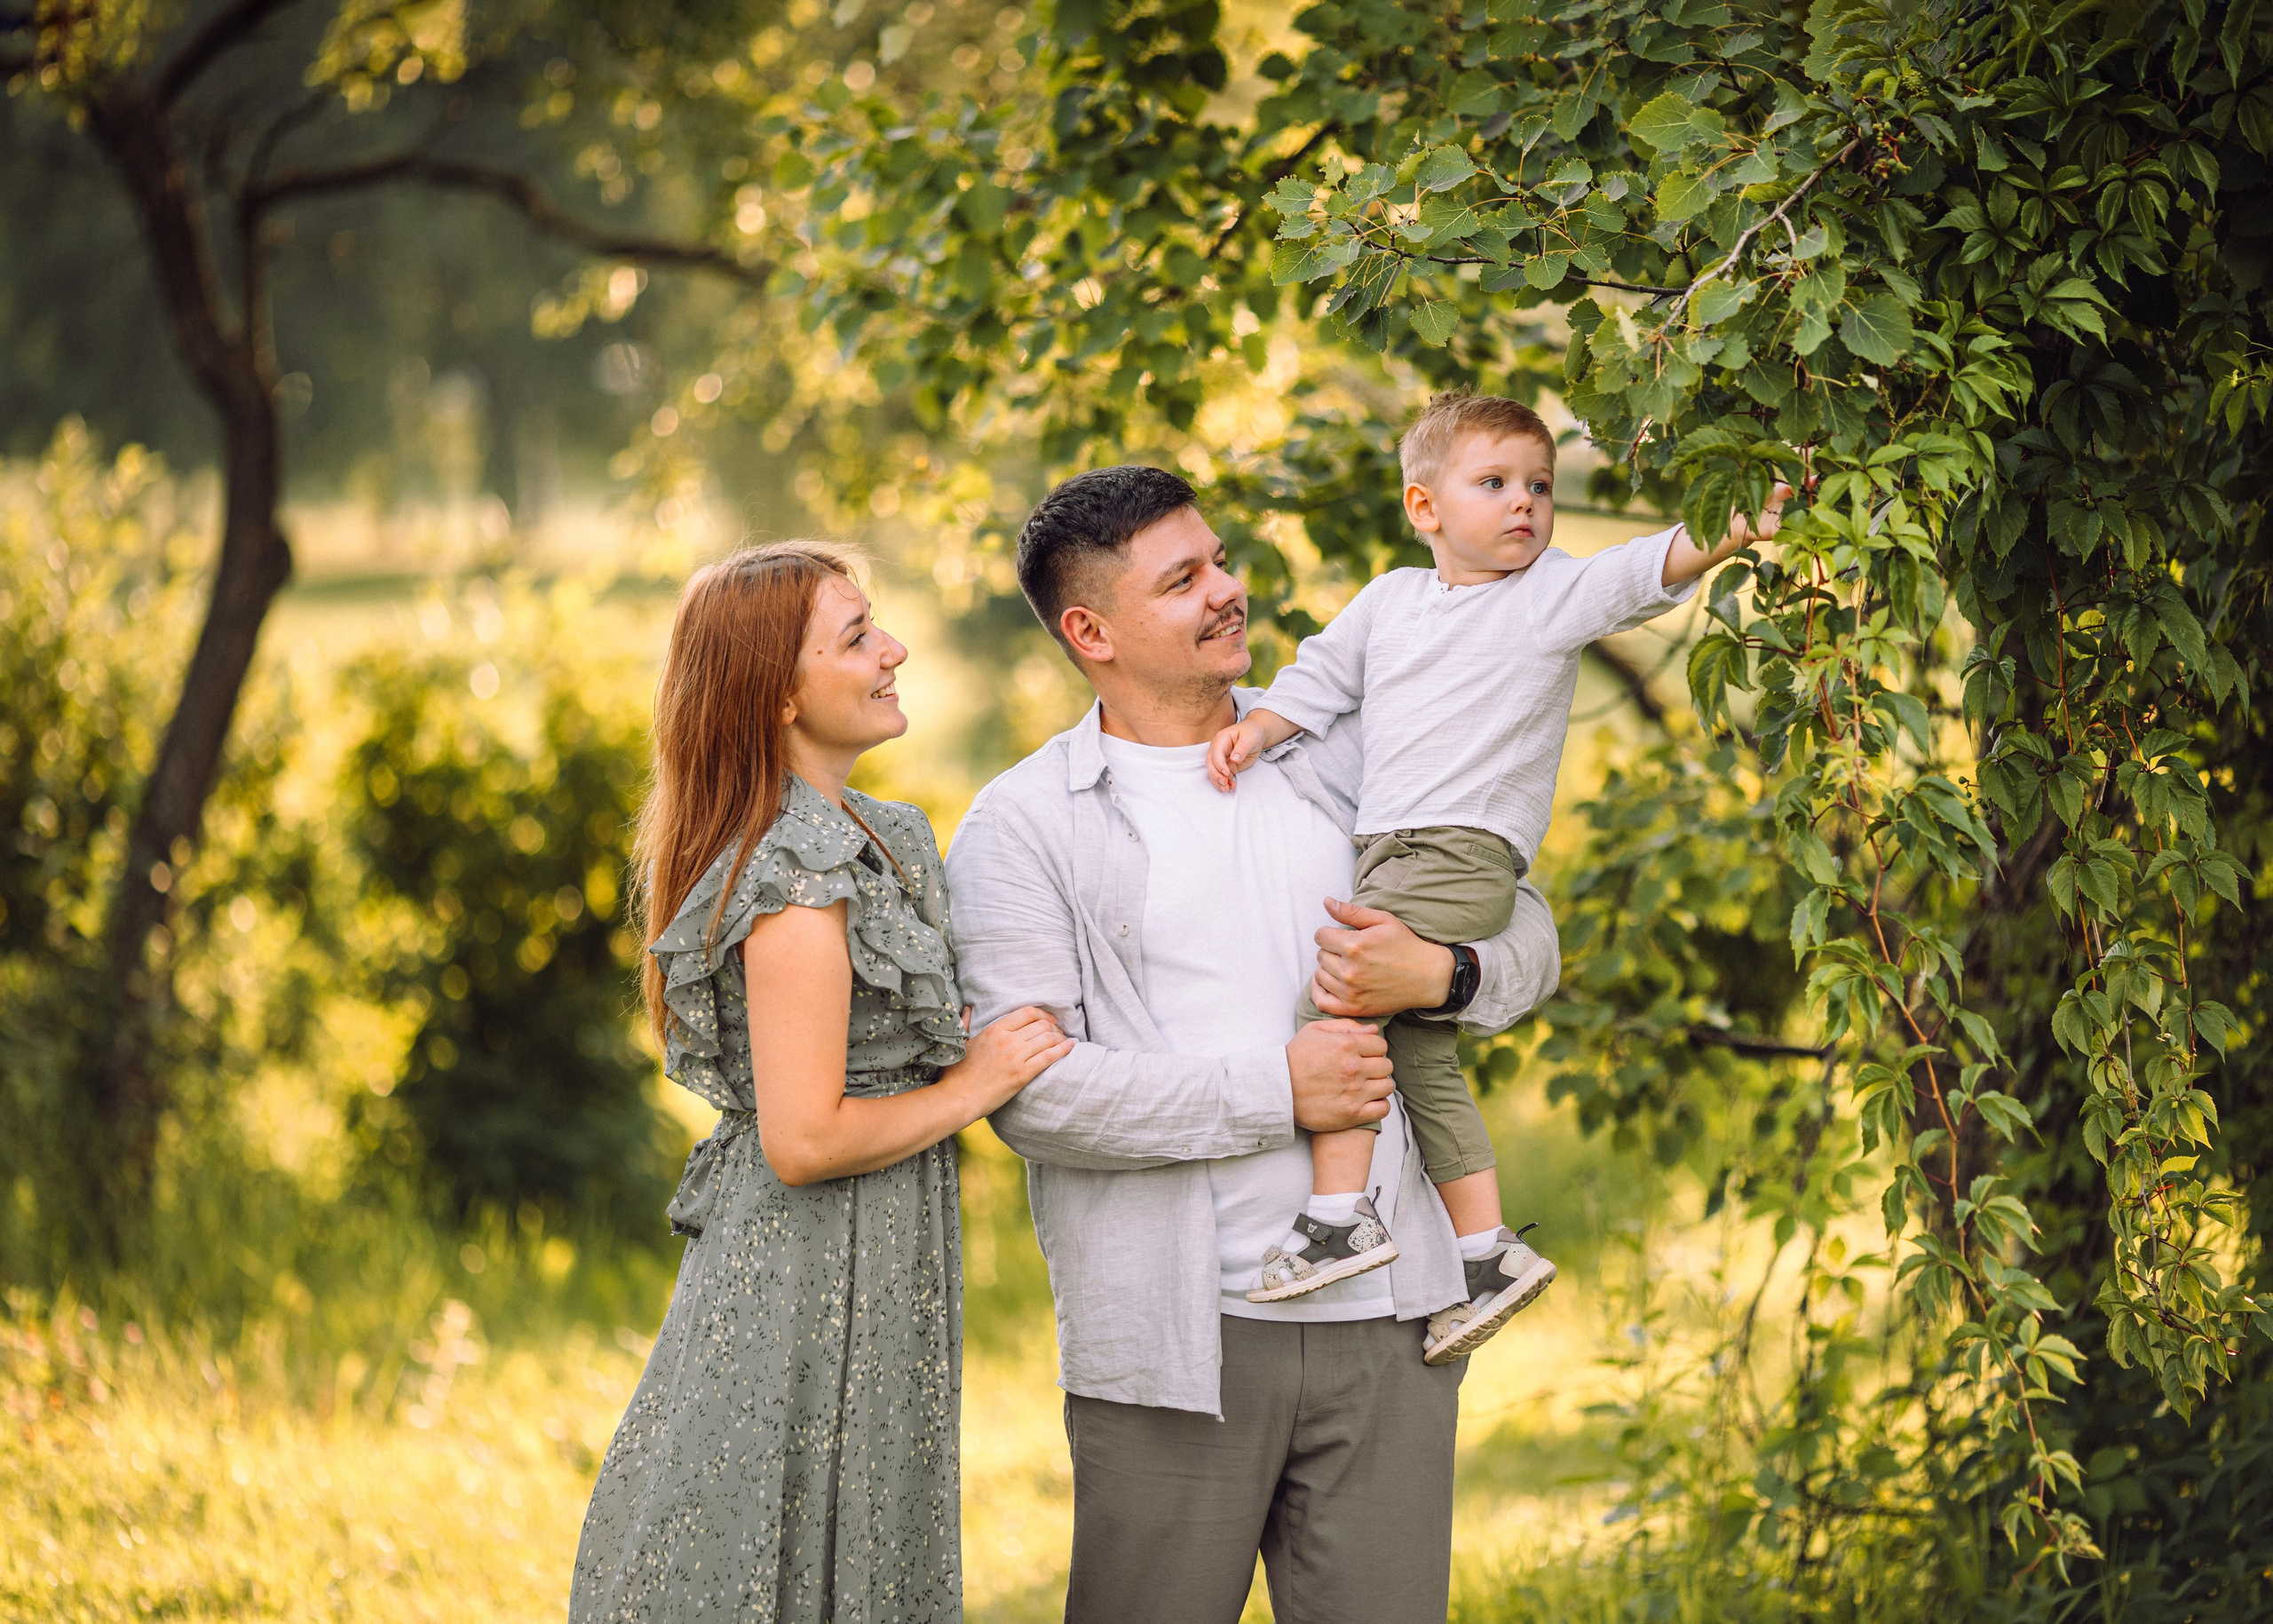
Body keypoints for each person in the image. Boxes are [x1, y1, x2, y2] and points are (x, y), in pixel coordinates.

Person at [944, 466, 1563, 1624]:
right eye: (1183, 580)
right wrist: (1280, 1089)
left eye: (1220, 560)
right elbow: (1034, 1098)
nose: (1230, 590)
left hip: (1393, 1328)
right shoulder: (1026, 824)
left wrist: (1450, 974)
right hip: (1180, 1344)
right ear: (1092, 630)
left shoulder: (1348, 760)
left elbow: (1522, 922)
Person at [1207, 392, 1790, 1361]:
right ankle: (1484, 1253)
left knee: (1336, 1008)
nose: (1524, 503)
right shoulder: (1391, 599)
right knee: (1419, 1050)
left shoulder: (1546, 594)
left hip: (1461, 847)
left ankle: (1338, 1216)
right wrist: (1259, 728)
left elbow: (1639, 571)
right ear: (1424, 507)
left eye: (1539, 486)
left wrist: (1730, 530)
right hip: (1392, 848)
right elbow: (1319, 677)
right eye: (1494, 484)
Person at [571, 542, 1072, 1624]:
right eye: (855, 638)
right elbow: (802, 1137)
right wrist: (976, 1084)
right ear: (777, 694)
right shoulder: (797, 881)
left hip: (877, 1247)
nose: (892, 649)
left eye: (876, 624)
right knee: (776, 1554)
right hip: (805, 1265)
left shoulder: (879, 837)